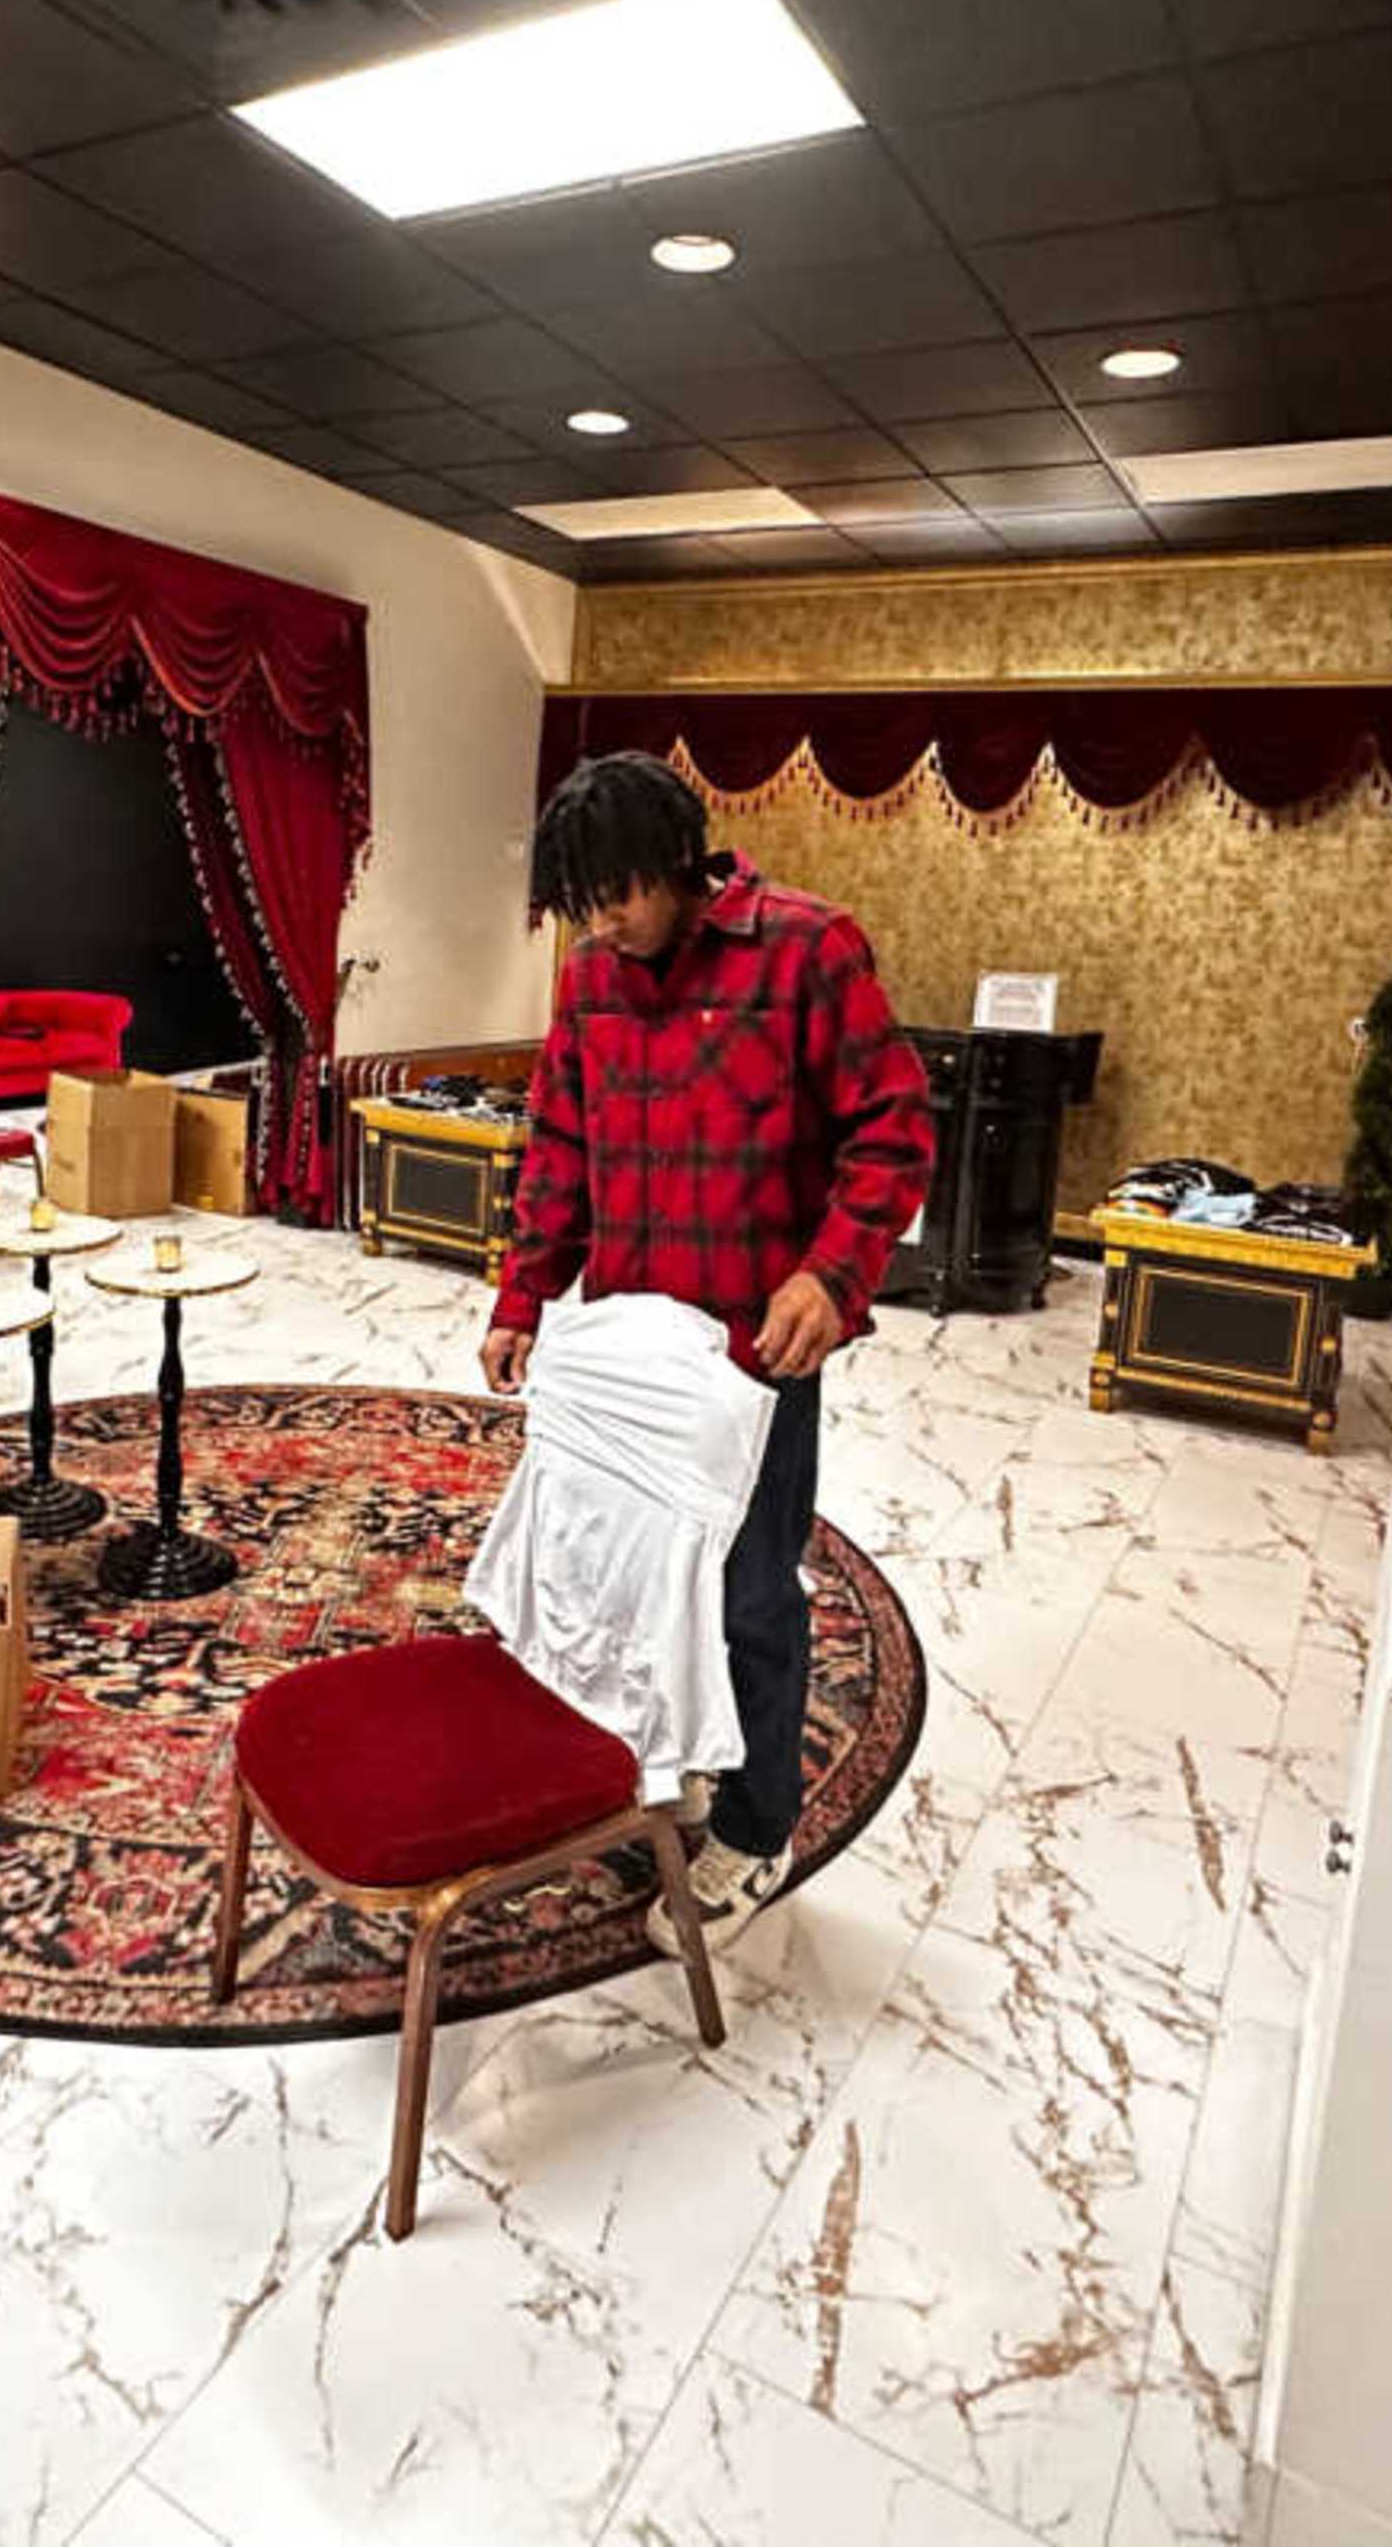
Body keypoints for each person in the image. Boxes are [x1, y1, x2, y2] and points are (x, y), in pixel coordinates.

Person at [485, 753, 934, 1955]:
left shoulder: (806, 951)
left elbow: (893, 1133)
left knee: (748, 1593)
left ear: (679, 858)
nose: (602, 921)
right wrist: (522, 1296)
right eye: (581, 901)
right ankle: (671, 1762)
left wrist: (829, 1277)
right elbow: (557, 1147)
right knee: (635, 1580)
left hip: (753, 1351)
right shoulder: (590, 979)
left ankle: (757, 1824)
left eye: (617, 891)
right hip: (630, 1346)